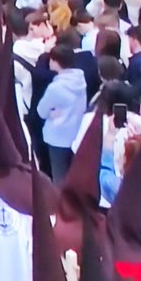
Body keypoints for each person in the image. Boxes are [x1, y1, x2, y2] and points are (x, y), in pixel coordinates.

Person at [37, 45, 89, 183]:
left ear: (56, 61)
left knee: (59, 177)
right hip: (75, 134)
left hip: (57, 137)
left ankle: (59, 203)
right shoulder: (81, 80)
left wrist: (51, 113)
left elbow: (41, 111)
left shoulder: (56, 87)